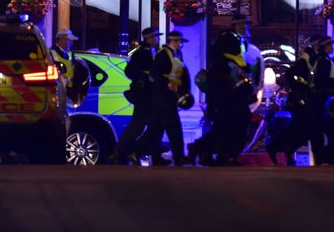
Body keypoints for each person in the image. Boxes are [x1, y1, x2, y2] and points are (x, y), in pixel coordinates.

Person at [189, 14, 254, 166]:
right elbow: (234, 61)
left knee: (225, 124)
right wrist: (245, 69)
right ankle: (209, 150)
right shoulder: (230, 39)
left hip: (226, 91)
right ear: (237, 25)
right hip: (226, 92)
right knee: (233, 122)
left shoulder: (234, 40)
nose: (247, 28)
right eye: (245, 25)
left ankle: (217, 154)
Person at [270, 36, 334, 166]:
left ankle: (283, 148)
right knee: (315, 130)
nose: (332, 47)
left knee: (308, 130)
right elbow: (293, 76)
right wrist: (302, 92)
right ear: (319, 46)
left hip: (316, 102)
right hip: (310, 102)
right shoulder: (310, 59)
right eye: (329, 45)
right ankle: (324, 158)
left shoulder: (323, 59)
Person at [108, 27, 167, 165]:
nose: (157, 39)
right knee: (138, 126)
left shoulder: (153, 51)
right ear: (149, 38)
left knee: (156, 125)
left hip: (152, 94)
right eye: (156, 37)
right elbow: (129, 71)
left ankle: (155, 156)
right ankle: (118, 152)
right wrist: (143, 75)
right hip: (144, 95)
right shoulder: (141, 52)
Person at [133, 30, 191, 166]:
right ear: (173, 41)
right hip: (163, 96)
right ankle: (179, 157)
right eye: (178, 42)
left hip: (169, 96)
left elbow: (180, 74)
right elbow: (154, 73)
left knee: (155, 128)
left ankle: (135, 152)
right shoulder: (163, 54)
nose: (180, 45)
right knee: (174, 127)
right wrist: (167, 83)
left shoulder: (176, 54)